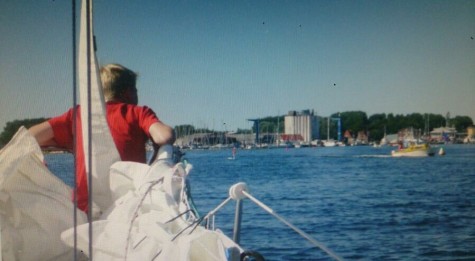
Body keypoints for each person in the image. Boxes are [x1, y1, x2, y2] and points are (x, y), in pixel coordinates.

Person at [28, 63, 175, 212]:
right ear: (128, 92)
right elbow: (164, 136)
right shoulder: (137, 112)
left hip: (85, 209)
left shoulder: (78, 114)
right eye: (136, 90)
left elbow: (31, 136)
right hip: (128, 206)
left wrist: (70, 143)